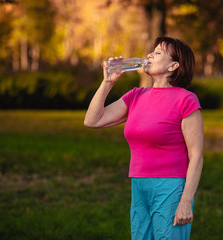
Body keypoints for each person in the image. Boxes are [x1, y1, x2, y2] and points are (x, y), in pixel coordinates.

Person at [84, 36, 204, 240]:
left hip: (171, 187)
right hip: (139, 186)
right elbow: (93, 120)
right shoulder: (136, 95)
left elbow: (197, 156)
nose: (149, 55)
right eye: (152, 51)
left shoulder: (186, 100)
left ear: (173, 65)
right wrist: (107, 82)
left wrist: (185, 201)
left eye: (158, 53)